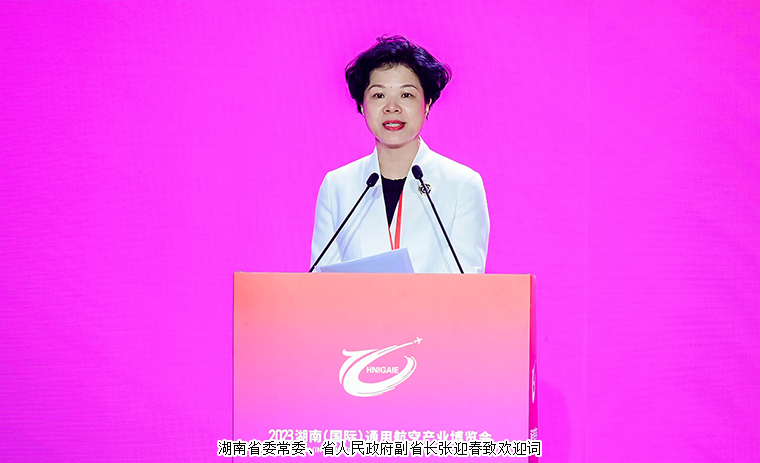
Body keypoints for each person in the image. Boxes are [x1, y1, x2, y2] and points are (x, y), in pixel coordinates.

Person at [311, 36, 489, 273]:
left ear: (427, 104)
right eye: (379, 95)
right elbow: (320, 281)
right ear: (362, 105)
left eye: (406, 95)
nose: (392, 107)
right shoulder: (337, 186)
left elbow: (468, 281)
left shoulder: (462, 185)